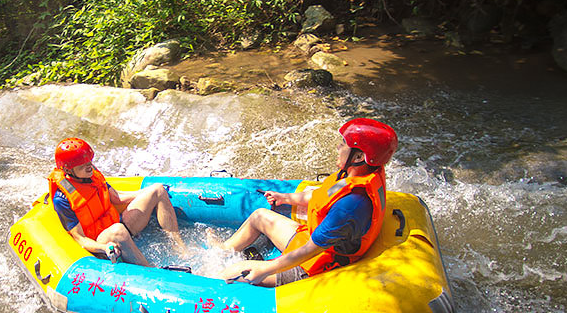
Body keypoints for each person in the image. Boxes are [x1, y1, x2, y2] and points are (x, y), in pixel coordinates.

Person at [215, 118, 398, 286]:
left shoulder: (351, 206)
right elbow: (321, 195)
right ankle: (222, 251)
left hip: (318, 264)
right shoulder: (353, 175)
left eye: (343, 144)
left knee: (232, 272)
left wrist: (265, 269)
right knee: (260, 217)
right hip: (313, 241)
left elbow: (311, 250)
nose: (338, 147)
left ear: (359, 157)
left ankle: (200, 283)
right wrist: (285, 198)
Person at [48, 138, 188, 267]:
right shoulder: (62, 200)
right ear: (68, 170)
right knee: (118, 231)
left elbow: (117, 198)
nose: (89, 167)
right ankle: (152, 271)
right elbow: (81, 239)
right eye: (82, 166)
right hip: (100, 242)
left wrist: (148, 192)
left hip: (118, 224)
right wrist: (104, 248)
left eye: (89, 162)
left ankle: (179, 248)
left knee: (157, 189)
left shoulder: (92, 174)